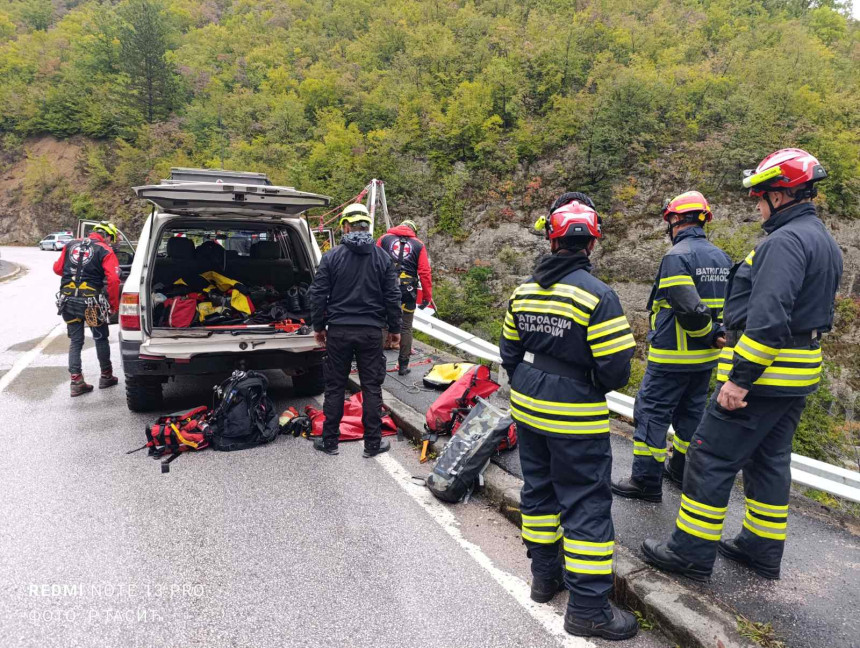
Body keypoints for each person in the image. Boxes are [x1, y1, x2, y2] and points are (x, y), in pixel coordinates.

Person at [642, 148, 842, 581]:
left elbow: (768, 320)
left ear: (779, 195)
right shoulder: (822, 239)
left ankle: (690, 552)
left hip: (762, 378)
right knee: (769, 460)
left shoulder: (783, 242)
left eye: (761, 196)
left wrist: (740, 379)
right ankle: (760, 548)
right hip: (797, 375)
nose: (757, 205)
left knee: (708, 456)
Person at [500, 192, 638, 641]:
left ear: (552, 240)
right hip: (575, 416)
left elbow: (509, 353)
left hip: (528, 406)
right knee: (586, 505)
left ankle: (545, 578)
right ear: (591, 243)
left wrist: (533, 384)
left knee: (539, 491)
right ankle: (588, 609)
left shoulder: (523, 290)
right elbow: (616, 368)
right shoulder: (599, 296)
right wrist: (582, 383)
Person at [612, 192, 731, 501]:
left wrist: (707, 333)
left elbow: (688, 308)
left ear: (676, 220)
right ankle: (680, 471)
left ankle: (645, 482)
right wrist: (715, 336)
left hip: (671, 359)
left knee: (650, 414)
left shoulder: (677, 257)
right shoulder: (722, 258)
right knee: (690, 416)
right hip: (705, 360)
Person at [309, 203, 402, 457]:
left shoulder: (332, 256)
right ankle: (373, 444)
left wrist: (319, 327)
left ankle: (329, 441)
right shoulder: (382, 257)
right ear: (367, 226)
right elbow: (393, 296)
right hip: (371, 332)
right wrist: (395, 329)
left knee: (335, 386)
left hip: (339, 331)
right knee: (371, 387)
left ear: (346, 226)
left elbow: (318, 295)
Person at [53, 221, 121, 397]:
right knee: (100, 338)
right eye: (112, 239)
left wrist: (77, 270)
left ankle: (76, 382)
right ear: (107, 236)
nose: (112, 243)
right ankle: (106, 376)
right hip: (91, 303)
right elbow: (114, 280)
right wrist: (114, 305)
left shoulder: (71, 244)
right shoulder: (105, 250)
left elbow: (58, 269)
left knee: (76, 341)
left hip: (68, 301)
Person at [377, 219, 433, 375]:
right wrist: (427, 296)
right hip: (407, 290)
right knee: (406, 327)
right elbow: (424, 272)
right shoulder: (418, 245)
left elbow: (373, 262)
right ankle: (403, 366)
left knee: (382, 325)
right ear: (413, 230)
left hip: (386, 289)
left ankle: (375, 364)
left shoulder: (384, 239)